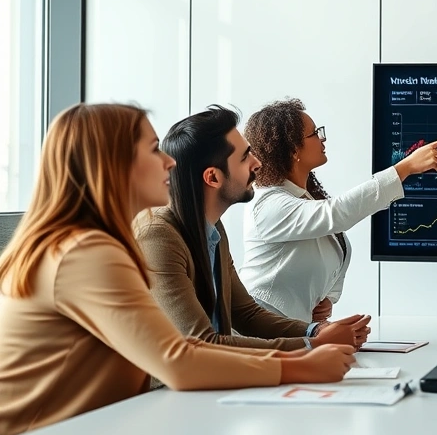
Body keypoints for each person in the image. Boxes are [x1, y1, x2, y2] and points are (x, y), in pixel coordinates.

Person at [0, 104, 353, 435]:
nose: (170, 162)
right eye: (154, 150)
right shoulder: (87, 252)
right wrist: (302, 360)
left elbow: (218, 329)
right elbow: (178, 358)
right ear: (112, 165)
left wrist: (312, 338)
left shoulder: (99, 243)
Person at [136, 106, 367, 351]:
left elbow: (246, 314)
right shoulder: (159, 237)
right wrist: (312, 344)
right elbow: (202, 343)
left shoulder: (213, 230)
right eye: (245, 157)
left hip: (215, 380)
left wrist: (316, 329)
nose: (258, 163)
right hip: (167, 388)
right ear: (213, 178)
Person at [240, 98, 437, 322]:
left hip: (292, 335)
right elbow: (337, 214)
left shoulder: (303, 197)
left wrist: (327, 297)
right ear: (292, 150)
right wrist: (405, 167)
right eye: (314, 133)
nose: (322, 138)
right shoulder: (266, 205)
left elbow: (335, 246)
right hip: (258, 334)